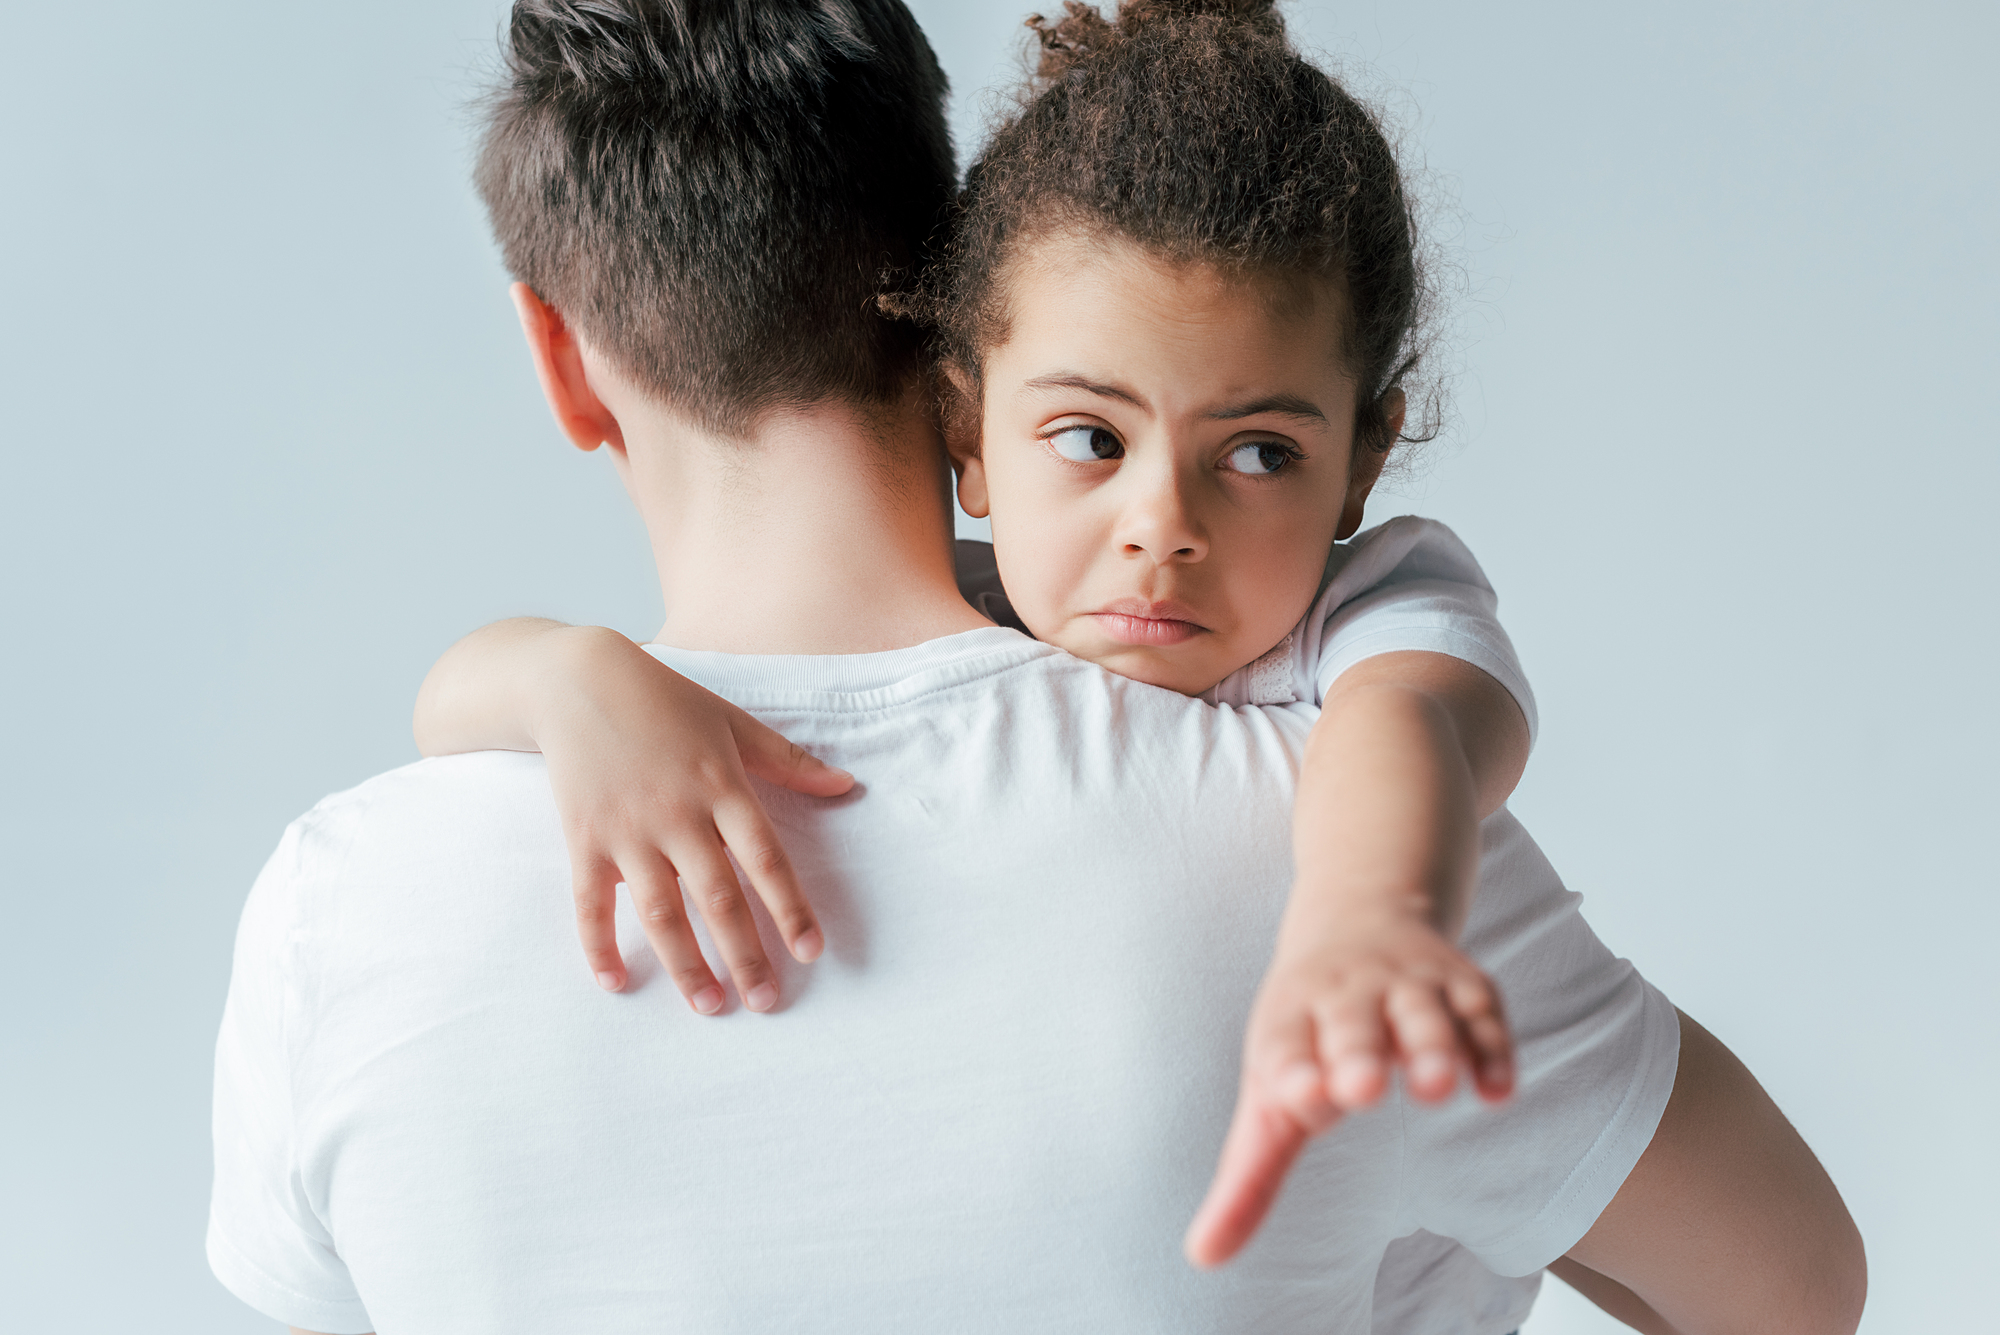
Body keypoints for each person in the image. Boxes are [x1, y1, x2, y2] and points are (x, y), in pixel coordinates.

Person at [208, 2, 1863, 1332]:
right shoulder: (1332, 842)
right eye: (1100, 434)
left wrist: (562, 678)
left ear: (560, 357)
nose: (1164, 529)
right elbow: (1790, 1294)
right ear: (951, 340)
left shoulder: (340, 905)